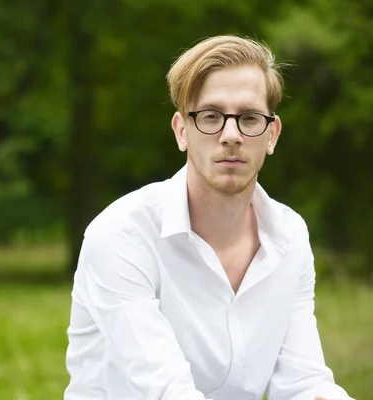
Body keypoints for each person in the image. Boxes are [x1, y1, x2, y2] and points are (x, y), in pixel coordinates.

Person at [63, 35, 354, 400]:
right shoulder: (122, 233)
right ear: (182, 131)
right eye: (211, 116)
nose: (230, 136)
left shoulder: (290, 235)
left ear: (271, 134)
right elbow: (168, 392)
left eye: (249, 118)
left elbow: (302, 383)